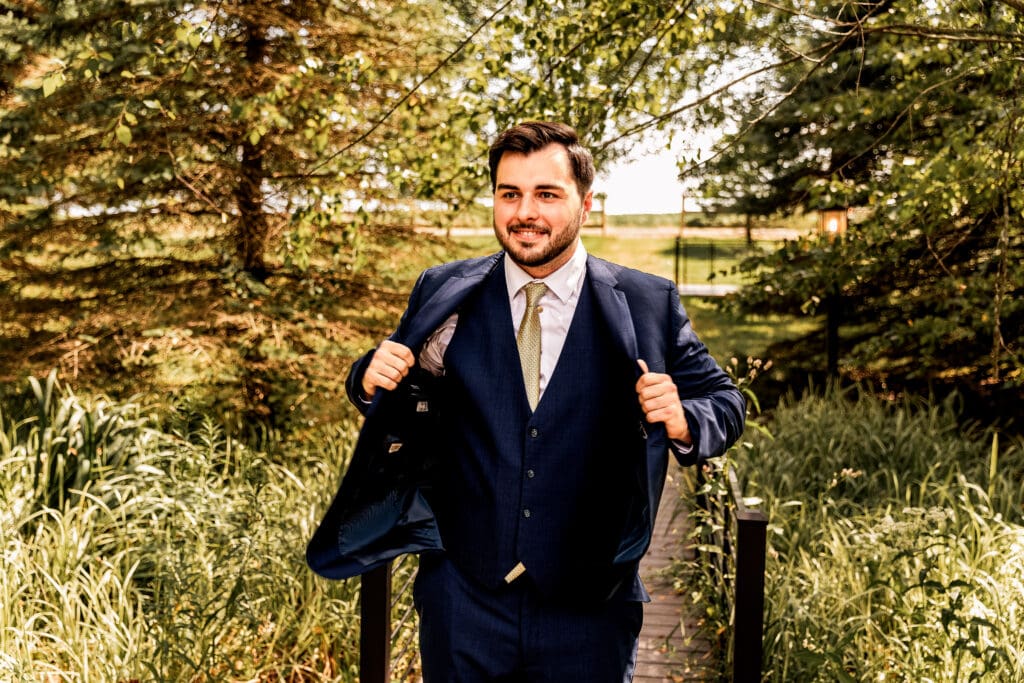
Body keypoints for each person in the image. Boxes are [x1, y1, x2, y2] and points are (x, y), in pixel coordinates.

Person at [307, 121, 745, 682]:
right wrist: (368, 377)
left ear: (586, 204)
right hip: (463, 600)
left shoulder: (646, 302)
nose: (525, 212)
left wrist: (684, 419)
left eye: (547, 194)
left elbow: (726, 402)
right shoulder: (442, 290)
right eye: (509, 193)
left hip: (590, 609)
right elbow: (391, 382)